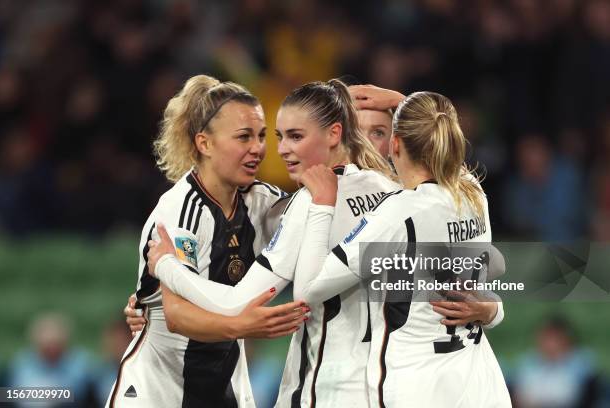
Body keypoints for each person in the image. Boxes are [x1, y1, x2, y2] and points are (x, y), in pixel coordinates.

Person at [141, 79, 504, 407]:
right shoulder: (411, 193)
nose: (279, 150)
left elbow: (258, 298)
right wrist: (490, 308)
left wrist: (165, 269)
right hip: (389, 382)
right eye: (278, 136)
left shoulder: (313, 206)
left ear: (334, 134)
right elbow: (444, 163)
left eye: (295, 136)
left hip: (323, 389)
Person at [296, 89, 511, 407]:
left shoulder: (397, 214)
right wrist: (402, 102)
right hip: (480, 384)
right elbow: (446, 148)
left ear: (394, 144)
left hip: (418, 384)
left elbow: (308, 290)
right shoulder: (473, 192)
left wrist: (323, 204)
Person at [107, 75, 310, 408]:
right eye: (244, 137)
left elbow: (317, 221)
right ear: (204, 143)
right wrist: (244, 325)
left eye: (261, 136)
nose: (258, 149)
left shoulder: (263, 201)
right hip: (161, 389)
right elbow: (178, 315)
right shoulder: (180, 212)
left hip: (222, 384)